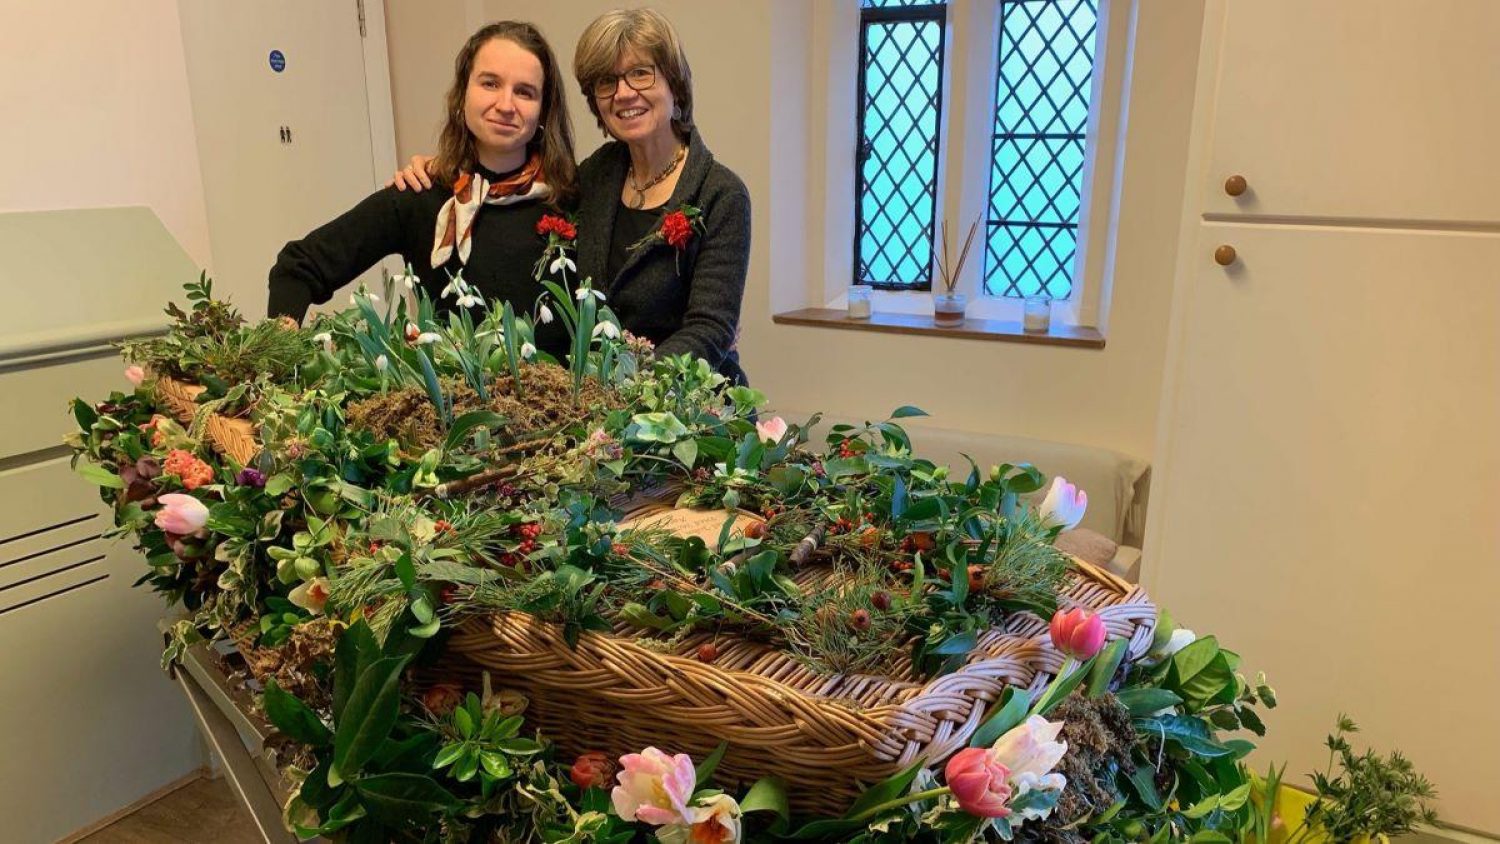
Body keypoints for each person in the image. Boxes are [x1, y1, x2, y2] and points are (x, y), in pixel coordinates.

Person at [392, 9, 751, 384]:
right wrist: (443, 173)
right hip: (596, 408)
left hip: (684, 407)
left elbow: (710, 329)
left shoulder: (721, 194)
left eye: (641, 73)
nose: (624, 93)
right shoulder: (595, 176)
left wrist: (623, 385)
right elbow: (514, 189)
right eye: (606, 81)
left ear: (675, 85)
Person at [268, 21, 577, 357]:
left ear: (543, 110)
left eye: (525, 92)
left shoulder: (571, 198)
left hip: (556, 406)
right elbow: (297, 266)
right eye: (490, 83)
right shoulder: (421, 195)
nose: (505, 104)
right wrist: (281, 354)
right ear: (463, 95)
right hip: (450, 405)